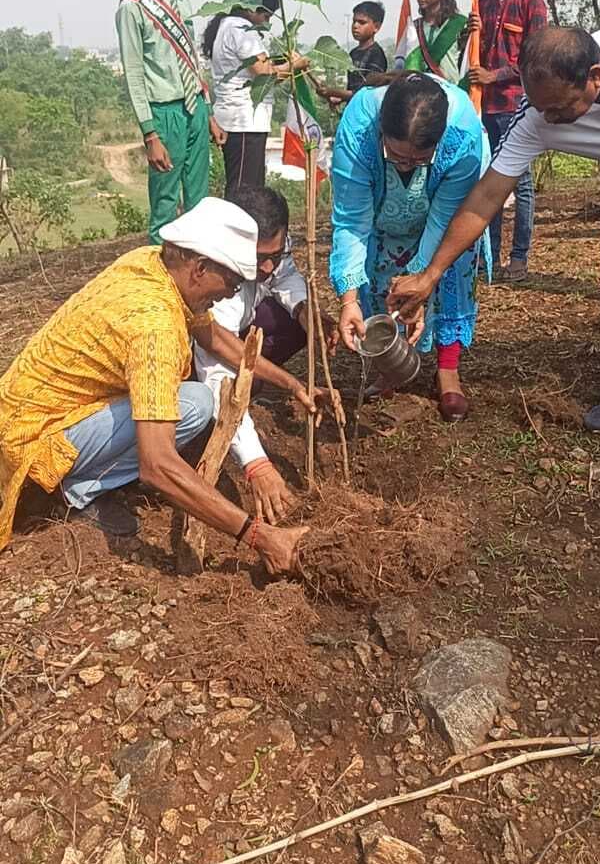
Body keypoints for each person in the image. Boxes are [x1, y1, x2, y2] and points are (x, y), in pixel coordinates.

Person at [388, 12, 600, 451]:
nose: (553, 119)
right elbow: (486, 197)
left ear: (595, 76)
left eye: (562, 108)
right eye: (543, 108)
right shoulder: (537, 116)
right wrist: (431, 274)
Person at [0, 197, 315, 569]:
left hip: (35, 413)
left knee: (195, 402)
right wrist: (260, 536)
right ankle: (76, 487)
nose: (229, 295)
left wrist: (291, 383)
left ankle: (83, 477)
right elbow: (158, 465)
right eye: (231, 283)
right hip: (35, 439)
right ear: (200, 268)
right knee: (194, 405)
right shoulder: (155, 326)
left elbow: (213, 337)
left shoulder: (154, 263)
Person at [331, 74, 491, 422]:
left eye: (418, 159)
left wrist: (421, 279)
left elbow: (444, 220)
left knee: (452, 266)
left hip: (444, 213)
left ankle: (448, 369)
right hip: (383, 211)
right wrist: (348, 299)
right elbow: (352, 218)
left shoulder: (461, 134)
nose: (405, 165)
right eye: (397, 155)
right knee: (383, 275)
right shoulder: (358, 129)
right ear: (381, 133)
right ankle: (391, 366)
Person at [194, 186, 338, 519]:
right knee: (203, 396)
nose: (269, 266)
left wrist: (307, 312)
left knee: (294, 323)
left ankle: (252, 385)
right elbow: (217, 372)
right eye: (260, 258)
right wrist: (255, 463)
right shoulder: (211, 283)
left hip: (234, 332)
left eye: (277, 253)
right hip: (192, 363)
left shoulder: (268, 257)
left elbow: (285, 277)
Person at [116, 0, 223, 244]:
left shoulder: (183, 1)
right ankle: (159, 282)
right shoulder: (133, 8)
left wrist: (209, 113)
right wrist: (150, 134)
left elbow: (192, 60)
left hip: (195, 111)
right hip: (164, 114)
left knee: (199, 201)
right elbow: (134, 74)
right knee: (164, 204)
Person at [466, 0, 548, 281]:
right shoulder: (482, 6)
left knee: (522, 183)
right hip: (485, 108)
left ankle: (519, 258)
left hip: (516, 105)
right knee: (491, 181)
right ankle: (490, 256)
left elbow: (537, 60)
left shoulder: (531, 3)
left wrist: (493, 75)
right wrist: (466, 34)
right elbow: (469, 55)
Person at [202, 0, 307, 193]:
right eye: (266, 17)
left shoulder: (226, 26)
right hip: (243, 121)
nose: (267, 24)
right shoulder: (241, 29)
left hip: (240, 119)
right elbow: (264, 73)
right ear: (252, 9)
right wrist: (295, 65)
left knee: (247, 186)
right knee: (244, 190)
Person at [394, 0, 467, 83]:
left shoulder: (460, 24)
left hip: (452, 93)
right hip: (420, 94)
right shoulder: (413, 28)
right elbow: (401, 64)